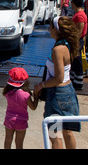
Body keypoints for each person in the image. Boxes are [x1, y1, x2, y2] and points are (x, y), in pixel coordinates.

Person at [34, 16, 81, 149]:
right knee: (68, 132)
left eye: (51, 27)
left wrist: (40, 85)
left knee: (54, 134)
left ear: (57, 30)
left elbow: (58, 78)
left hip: (57, 95)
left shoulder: (57, 50)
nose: (49, 30)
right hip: (69, 93)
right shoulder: (67, 45)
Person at [3, 67, 38, 149]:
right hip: (21, 121)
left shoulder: (7, 92)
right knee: (19, 144)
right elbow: (33, 107)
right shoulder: (26, 95)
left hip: (9, 119)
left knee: (8, 140)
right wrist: (36, 97)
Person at [71, 0, 87, 90]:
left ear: (74, 3)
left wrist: (74, 41)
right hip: (78, 40)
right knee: (74, 61)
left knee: (77, 61)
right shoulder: (79, 14)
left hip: (77, 41)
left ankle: (78, 82)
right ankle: (74, 80)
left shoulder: (80, 15)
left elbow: (79, 31)